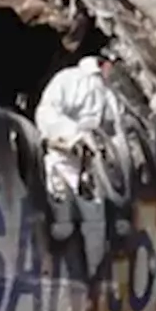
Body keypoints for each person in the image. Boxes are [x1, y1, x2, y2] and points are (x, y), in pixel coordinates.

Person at [34, 55, 122, 201]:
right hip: (66, 164)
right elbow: (47, 113)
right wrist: (76, 136)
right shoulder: (70, 79)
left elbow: (119, 129)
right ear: (103, 64)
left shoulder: (110, 93)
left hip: (100, 174)